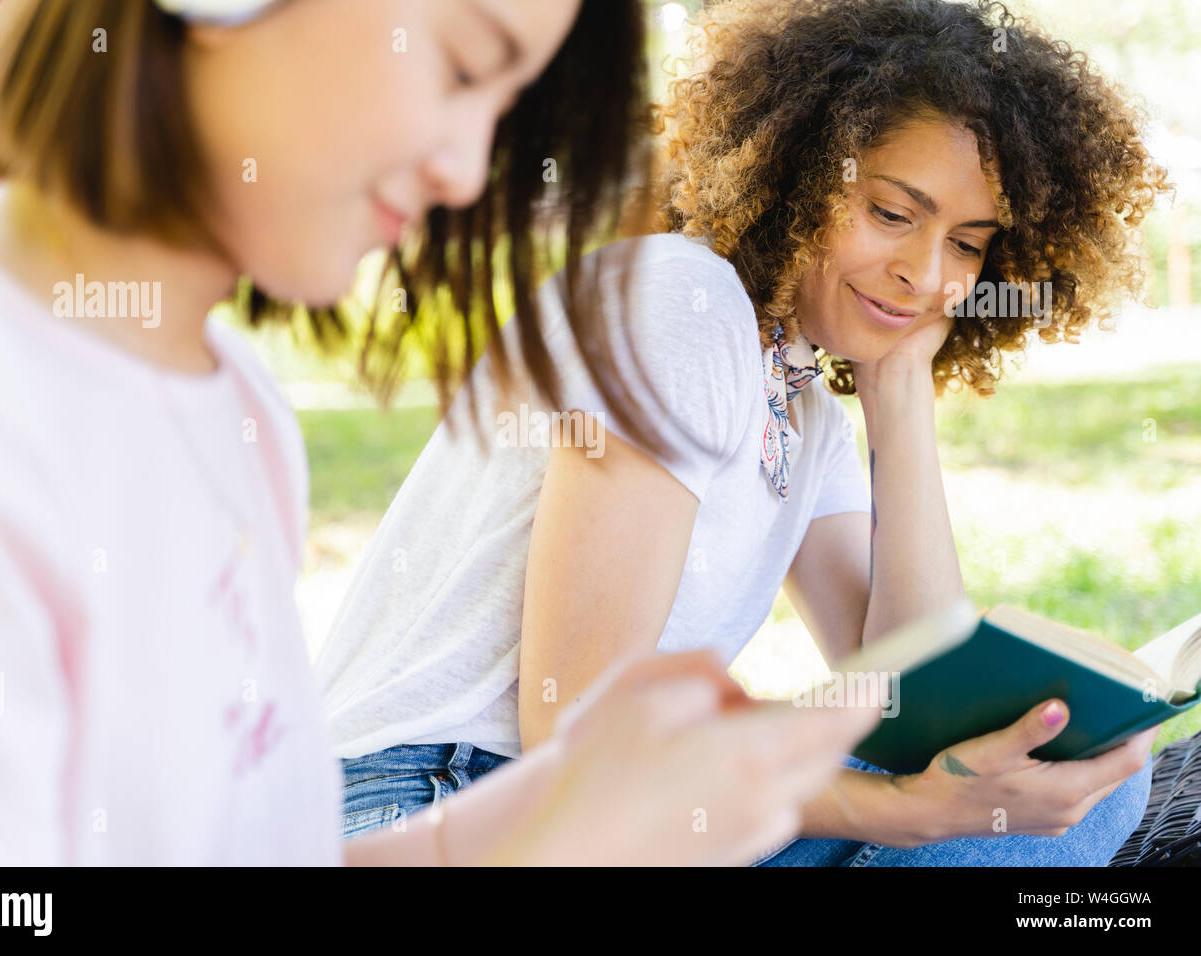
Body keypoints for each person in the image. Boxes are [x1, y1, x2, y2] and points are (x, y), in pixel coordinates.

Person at [0, 0, 878, 866]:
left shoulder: (234, 405)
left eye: (501, 104)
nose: (461, 170)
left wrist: (548, 813)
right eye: (457, 66)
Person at [315, 0, 1169, 865]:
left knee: (1085, 773)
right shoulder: (682, 303)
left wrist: (899, 392)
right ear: (798, 176)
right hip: (444, 799)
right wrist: (900, 813)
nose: (926, 274)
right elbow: (572, 721)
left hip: (622, 815)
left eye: (968, 245)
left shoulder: (802, 403)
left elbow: (908, 699)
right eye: (891, 213)